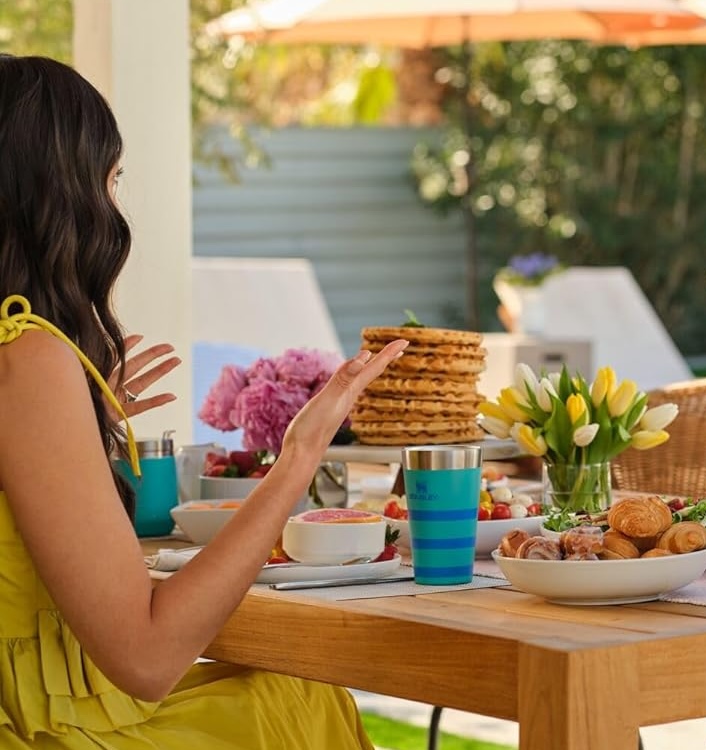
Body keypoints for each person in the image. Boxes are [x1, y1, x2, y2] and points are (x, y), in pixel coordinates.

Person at [0, 55, 408, 749]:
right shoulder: (26, 357)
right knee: (296, 701)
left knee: (295, 690)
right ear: (58, 187)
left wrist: (75, 428)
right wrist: (299, 456)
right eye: (113, 175)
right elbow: (149, 657)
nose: (114, 200)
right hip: (53, 731)